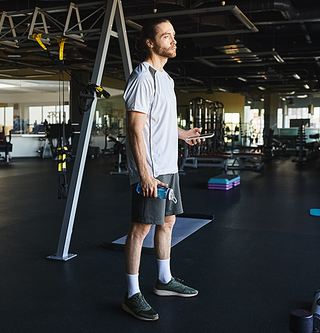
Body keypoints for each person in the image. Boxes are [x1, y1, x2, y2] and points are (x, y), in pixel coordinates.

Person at [122, 17, 202, 321]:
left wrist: (183, 134)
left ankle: (164, 280)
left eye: (174, 35)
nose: (173, 40)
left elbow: (162, 122)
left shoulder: (166, 79)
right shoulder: (142, 77)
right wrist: (144, 174)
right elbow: (135, 128)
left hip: (169, 166)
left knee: (167, 223)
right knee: (140, 228)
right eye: (166, 36)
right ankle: (131, 294)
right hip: (151, 169)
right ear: (150, 43)